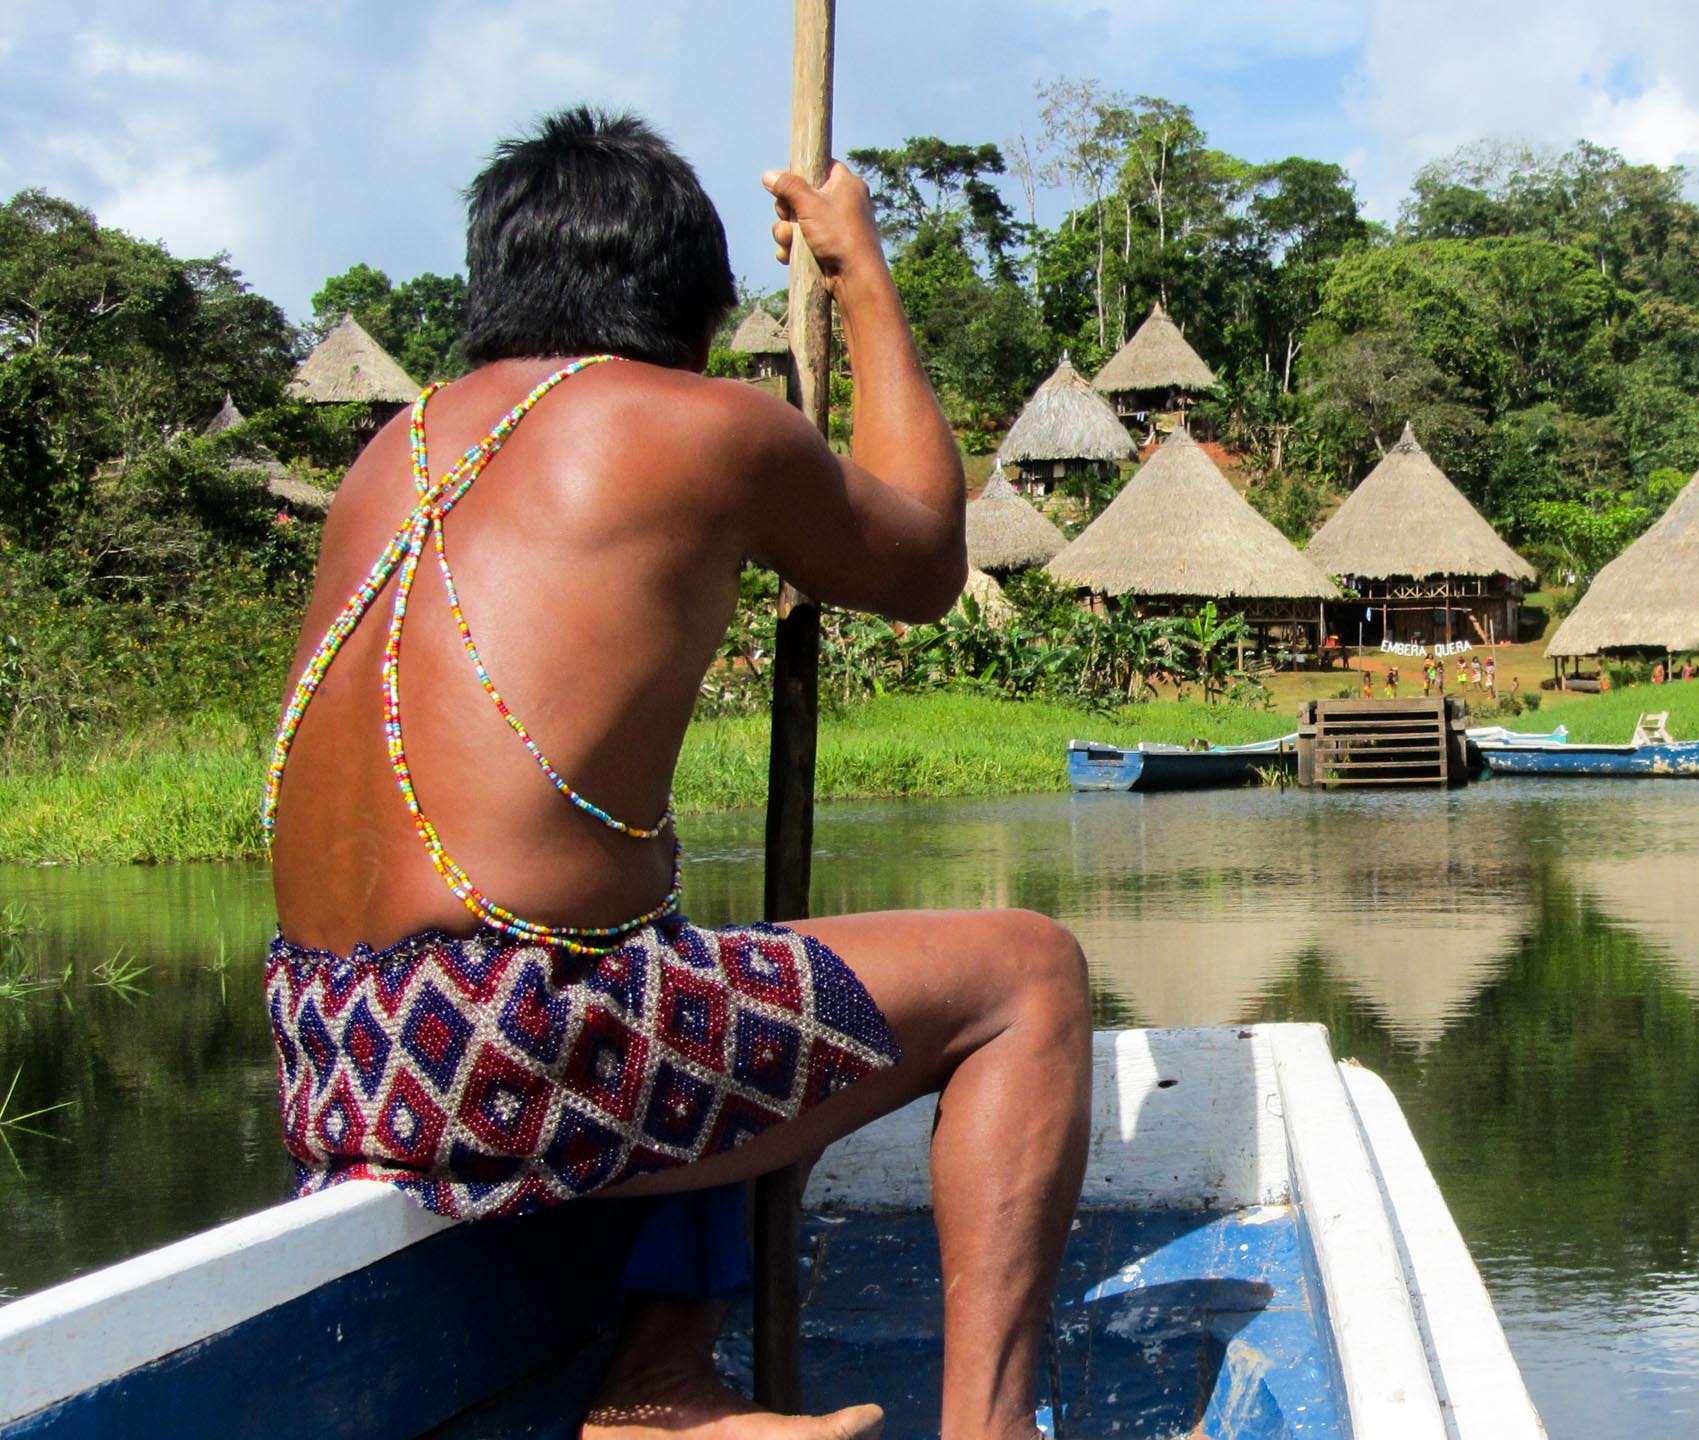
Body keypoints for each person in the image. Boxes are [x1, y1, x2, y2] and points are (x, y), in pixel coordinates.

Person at [260, 109, 1087, 1440]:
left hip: (331, 1057)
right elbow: (926, 558)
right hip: (509, 1041)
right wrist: (858, 273)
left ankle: (660, 1383)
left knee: (685, 956)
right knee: (1028, 974)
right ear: (695, 318)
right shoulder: (699, 423)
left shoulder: (390, 450)